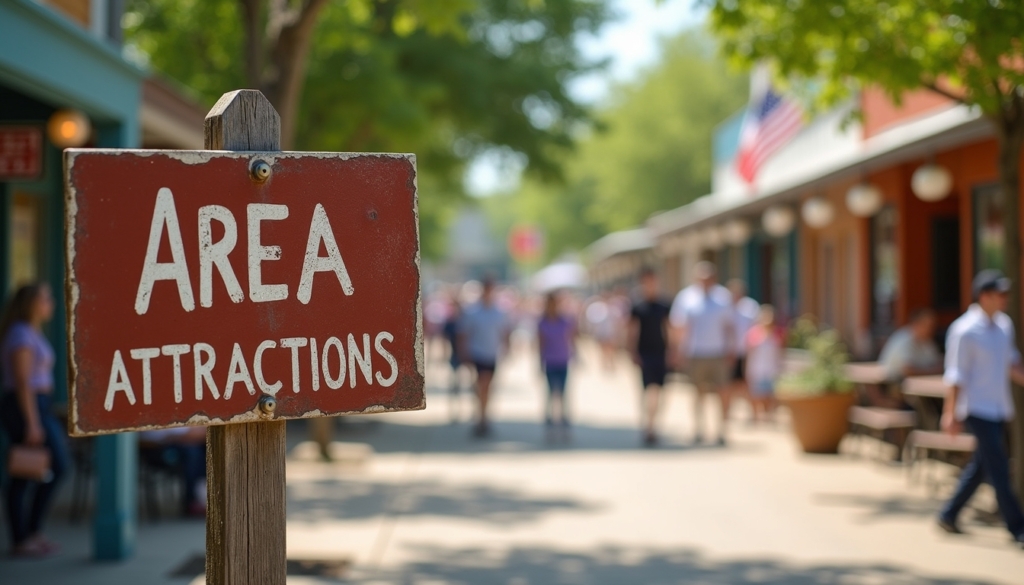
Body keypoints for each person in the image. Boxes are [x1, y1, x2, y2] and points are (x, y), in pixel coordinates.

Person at [936, 270, 1024, 549]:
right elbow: (956, 374)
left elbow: (1013, 364)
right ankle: (1018, 527)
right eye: (1000, 294)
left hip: (999, 407)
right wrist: (949, 413)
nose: (1005, 299)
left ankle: (949, 513)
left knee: (984, 466)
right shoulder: (964, 330)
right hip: (976, 408)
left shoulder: (1004, 326)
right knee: (998, 466)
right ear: (984, 296)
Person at [0, 283, 68, 557]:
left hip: (39, 405)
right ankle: (21, 537)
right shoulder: (20, 335)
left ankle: (31, 532)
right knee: (27, 471)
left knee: (33, 471)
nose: (50, 302)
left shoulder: (32, 331)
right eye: (45, 298)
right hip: (26, 407)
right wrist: (33, 422)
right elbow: (22, 382)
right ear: (30, 302)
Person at [670, 261, 735, 445]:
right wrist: (678, 351)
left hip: (718, 352)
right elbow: (679, 327)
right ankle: (699, 429)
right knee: (697, 393)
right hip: (695, 353)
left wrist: (731, 350)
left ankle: (722, 430)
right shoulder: (686, 297)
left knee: (723, 392)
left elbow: (729, 326)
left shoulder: (723, 297)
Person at [458, 277, 510, 438]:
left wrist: (507, 349)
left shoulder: (499, 312)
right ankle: (481, 418)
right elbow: (464, 334)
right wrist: (464, 353)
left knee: (487, 387)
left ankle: (483, 416)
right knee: (482, 385)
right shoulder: (473, 312)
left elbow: (504, 333)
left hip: (492, 354)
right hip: (477, 353)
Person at [629, 268, 672, 446]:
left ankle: (653, 424)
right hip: (644, 354)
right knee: (648, 391)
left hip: (661, 354)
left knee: (660, 391)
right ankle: (649, 425)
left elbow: (669, 330)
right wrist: (632, 352)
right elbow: (632, 332)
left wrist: (673, 351)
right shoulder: (638, 307)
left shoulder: (664, 305)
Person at [138, 427, 207, 517]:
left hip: (184, 443)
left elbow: (199, 432)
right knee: (192, 453)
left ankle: (204, 497)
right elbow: (154, 437)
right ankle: (192, 500)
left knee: (206, 447)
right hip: (158, 450)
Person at [537, 292, 576, 440]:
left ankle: (565, 427)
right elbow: (540, 344)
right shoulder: (543, 322)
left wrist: (575, 356)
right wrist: (539, 362)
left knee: (563, 395)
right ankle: (550, 428)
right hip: (550, 362)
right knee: (551, 394)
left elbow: (571, 339)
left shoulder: (565, 321)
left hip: (563, 360)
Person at [726, 279, 760, 412]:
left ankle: (752, 412)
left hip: (748, 352)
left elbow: (757, 328)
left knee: (749, 383)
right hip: (730, 353)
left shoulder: (751, 306)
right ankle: (729, 412)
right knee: (729, 384)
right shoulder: (724, 307)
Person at [879, 308, 942, 380]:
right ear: (916, 324)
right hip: (893, 383)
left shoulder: (927, 341)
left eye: (932, 325)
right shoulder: (904, 339)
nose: (931, 329)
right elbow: (908, 371)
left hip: (916, 383)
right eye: (926, 325)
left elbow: (937, 363)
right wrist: (932, 371)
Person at [745, 305, 783, 423]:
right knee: (756, 395)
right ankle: (756, 416)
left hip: (771, 369)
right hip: (757, 368)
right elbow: (749, 353)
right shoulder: (754, 333)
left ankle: (769, 416)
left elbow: (780, 352)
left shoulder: (777, 334)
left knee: (770, 395)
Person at [442, 296, 465, 422]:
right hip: (455, 357)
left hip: (466, 356)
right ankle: (455, 411)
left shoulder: (464, 321)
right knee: (455, 385)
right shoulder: (450, 323)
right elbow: (445, 341)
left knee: (471, 385)